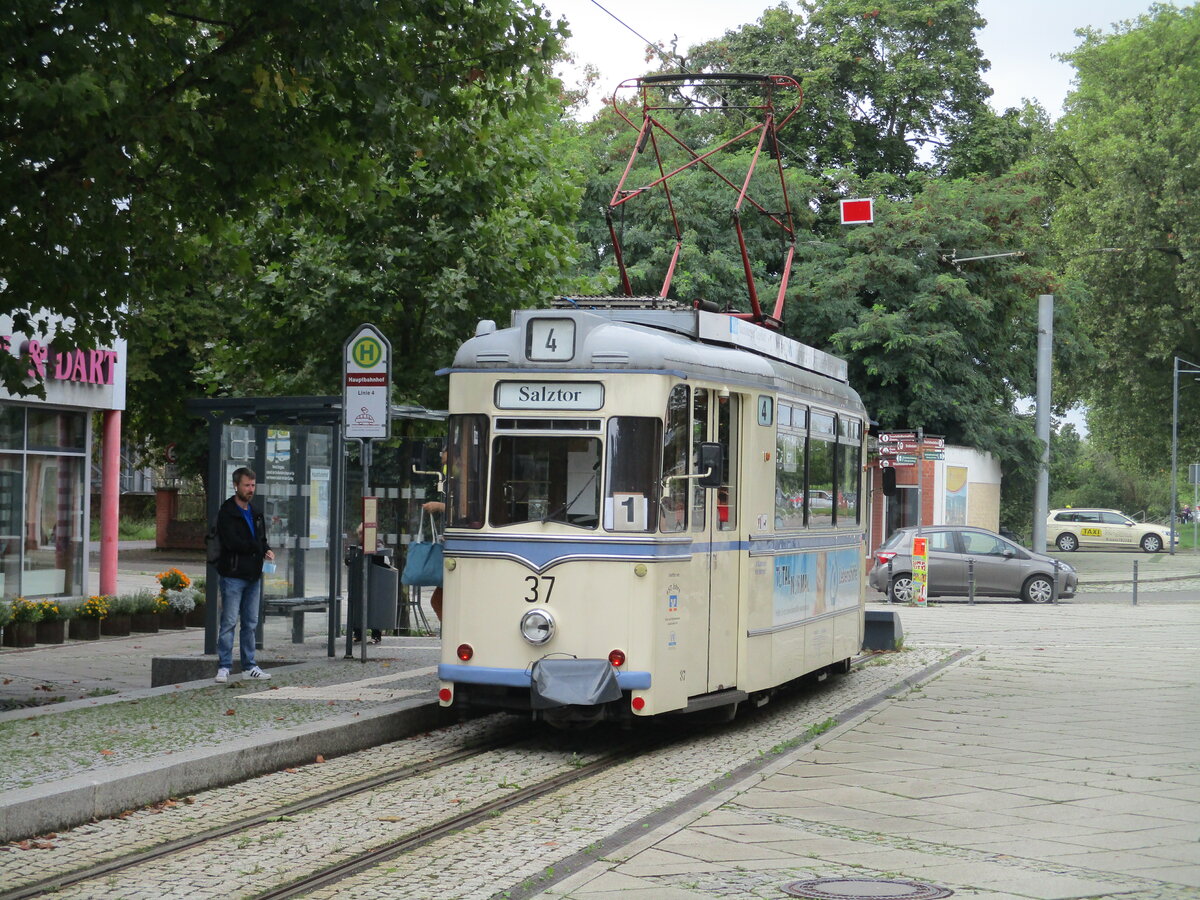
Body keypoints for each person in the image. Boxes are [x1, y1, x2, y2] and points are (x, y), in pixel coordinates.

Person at [214, 467, 274, 682]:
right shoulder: (227, 512)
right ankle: (224, 666)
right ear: (236, 486)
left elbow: (262, 538)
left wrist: (266, 549)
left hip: (253, 575)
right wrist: (256, 547)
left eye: (253, 485)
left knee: (250, 622)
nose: (250, 489)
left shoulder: (256, 511)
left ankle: (249, 665)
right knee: (229, 622)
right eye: (246, 485)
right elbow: (232, 542)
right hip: (233, 574)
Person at [420, 444, 447, 621]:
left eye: (443, 454)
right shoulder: (454, 474)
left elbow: (465, 509)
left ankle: (452, 632)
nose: (442, 459)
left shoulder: (464, 474)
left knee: (438, 601)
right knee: (438, 601)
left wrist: (439, 506)